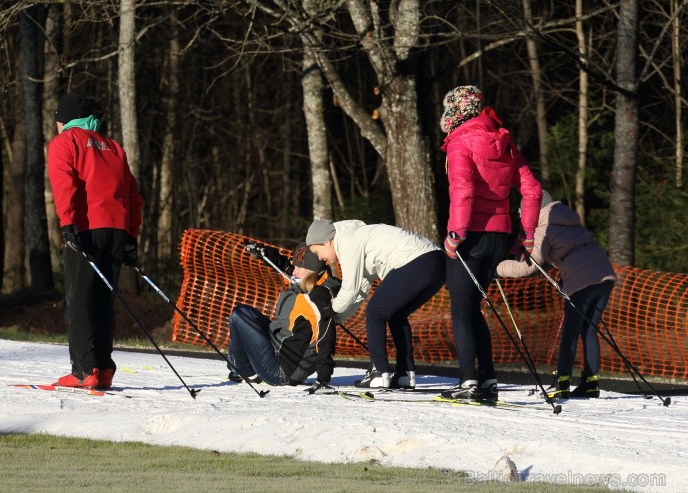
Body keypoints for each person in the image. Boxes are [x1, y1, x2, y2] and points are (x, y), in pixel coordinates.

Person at [440, 85, 542, 400]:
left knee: (461, 309)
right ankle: (487, 379)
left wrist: (456, 234)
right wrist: (526, 234)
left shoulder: (460, 142)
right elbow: (533, 190)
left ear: (455, 112)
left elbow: (464, 190)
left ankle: (468, 381)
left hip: (470, 235)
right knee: (474, 309)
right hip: (500, 236)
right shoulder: (504, 141)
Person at [47, 94, 143, 389]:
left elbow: (65, 184)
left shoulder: (65, 142)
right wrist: (131, 236)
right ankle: (104, 367)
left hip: (86, 227)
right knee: (103, 300)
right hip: (116, 230)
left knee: (79, 299)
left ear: (64, 119)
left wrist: (67, 223)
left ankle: (84, 370)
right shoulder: (113, 146)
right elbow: (132, 194)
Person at [497, 191, 616, 399]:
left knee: (570, 332)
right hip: (604, 274)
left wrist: (497, 269)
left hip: (583, 278)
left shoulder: (544, 227)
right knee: (589, 331)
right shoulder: (569, 220)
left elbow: (529, 266)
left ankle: (561, 382)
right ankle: (591, 382)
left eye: (524, 212)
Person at [306, 220, 446, 389]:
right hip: (438, 262)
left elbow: (350, 289)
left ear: (327, 241)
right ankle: (405, 374)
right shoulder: (358, 238)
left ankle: (379, 373)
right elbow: (359, 291)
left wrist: (327, 312)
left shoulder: (348, 241)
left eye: (317, 251)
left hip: (416, 260)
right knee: (396, 314)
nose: (320, 258)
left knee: (374, 312)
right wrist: (337, 319)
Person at [227, 243, 339, 392]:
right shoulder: (305, 283)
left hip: (281, 372)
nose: (294, 272)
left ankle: (244, 371)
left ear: (312, 271)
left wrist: (323, 378)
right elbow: (287, 266)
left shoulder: (316, 299)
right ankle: (245, 369)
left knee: (239, 316)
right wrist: (265, 253)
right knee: (246, 313)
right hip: (276, 349)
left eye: (299, 268)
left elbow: (326, 338)